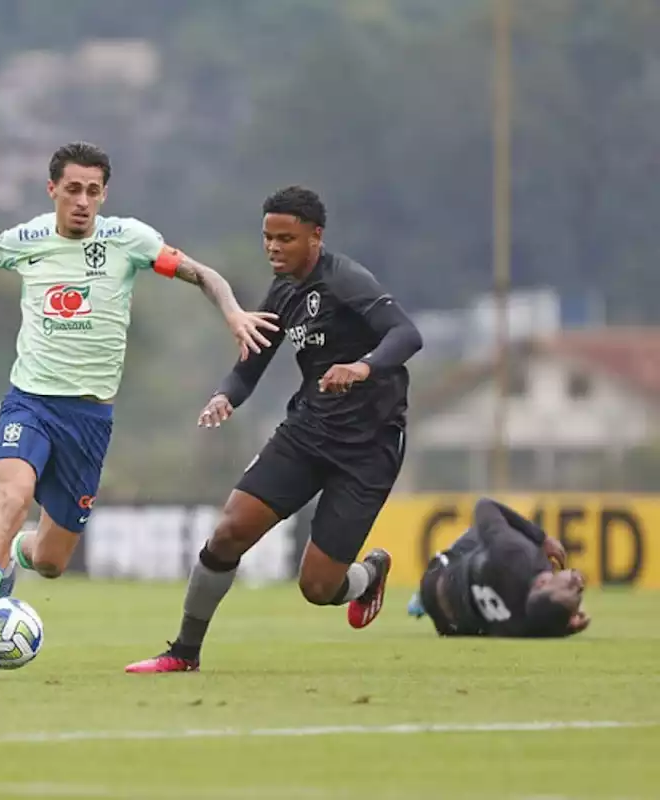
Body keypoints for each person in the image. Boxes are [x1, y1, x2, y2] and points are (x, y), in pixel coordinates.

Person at [0, 141, 278, 680]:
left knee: (51, 562)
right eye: (72, 190)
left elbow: (203, 274)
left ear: (104, 194)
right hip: (30, 403)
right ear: (52, 190)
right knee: (10, 498)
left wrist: (231, 314)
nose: (82, 201)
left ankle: (12, 553)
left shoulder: (129, 240)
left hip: (89, 421)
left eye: (92, 191)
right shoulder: (27, 239)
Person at [126, 186, 424, 674]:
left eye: (286, 238)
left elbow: (406, 334)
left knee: (317, 588)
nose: (274, 248)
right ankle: (183, 653)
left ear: (316, 236)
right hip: (307, 432)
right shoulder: (282, 292)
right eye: (268, 237)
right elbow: (251, 364)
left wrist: (362, 368)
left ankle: (367, 574)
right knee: (228, 533)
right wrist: (226, 395)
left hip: (368, 448)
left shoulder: (346, 280)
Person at [407, 497, 589, 638]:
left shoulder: (517, 556)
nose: (579, 582)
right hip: (449, 625)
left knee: (489, 533)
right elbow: (550, 622)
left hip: (434, 581)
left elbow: (485, 506)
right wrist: (566, 627)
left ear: (542, 582)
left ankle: (421, 599)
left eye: (571, 586)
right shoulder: (531, 626)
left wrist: (541, 537)